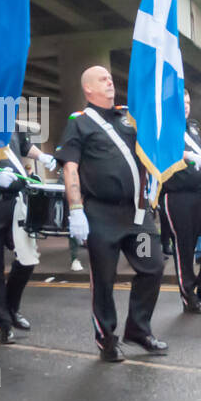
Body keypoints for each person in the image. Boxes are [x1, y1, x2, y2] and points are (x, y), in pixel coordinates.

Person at [57, 65, 169, 361]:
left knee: (152, 265)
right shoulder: (79, 123)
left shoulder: (129, 117)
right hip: (100, 216)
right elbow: (70, 167)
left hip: (135, 215)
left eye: (110, 77)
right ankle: (106, 338)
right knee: (104, 279)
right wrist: (76, 210)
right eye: (102, 79)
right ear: (88, 89)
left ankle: (138, 329)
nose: (110, 82)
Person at [0, 129, 57, 343]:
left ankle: (11, 307)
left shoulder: (7, 116)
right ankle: (4, 323)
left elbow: (24, 145)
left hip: (15, 201)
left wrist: (42, 156)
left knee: (27, 258)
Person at [160, 91, 201, 314]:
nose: (186, 106)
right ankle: (188, 295)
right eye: (181, 102)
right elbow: (167, 152)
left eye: (188, 102)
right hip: (178, 195)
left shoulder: (194, 127)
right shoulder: (164, 127)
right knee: (185, 248)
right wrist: (188, 157)